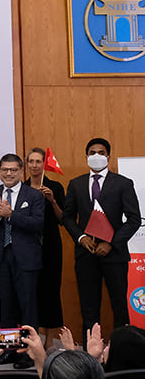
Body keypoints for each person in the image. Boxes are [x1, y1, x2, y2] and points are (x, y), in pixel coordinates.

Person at [62, 137, 141, 335]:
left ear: (108, 157)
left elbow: (134, 219)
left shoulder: (123, 183)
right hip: (85, 255)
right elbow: (68, 217)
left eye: (101, 153)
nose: (96, 156)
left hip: (115, 255)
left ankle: (122, 350)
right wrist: (81, 237)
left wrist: (111, 243)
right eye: (92, 153)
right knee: (88, 307)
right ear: (86, 157)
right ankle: (90, 350)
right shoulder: (76, 184)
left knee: (119, 306)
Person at [0, 153, 44, 369]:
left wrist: (10, 214)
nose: (8, 173)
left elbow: (38, 224)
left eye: (13, 170)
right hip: (2, 257)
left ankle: (28, 353)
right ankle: (9, 350)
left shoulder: (34, 195)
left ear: (21, 171)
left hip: (26, 258)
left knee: (28, 307)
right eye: (4, 170)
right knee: (6, 305)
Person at [25, 148, 66, 346]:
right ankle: (30, 339)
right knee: (28, 293)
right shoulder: (22, 188)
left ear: (44, 163)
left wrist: (52, 200)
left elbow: (62, 219)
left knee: (50, 292)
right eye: (31, 161)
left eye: (38, 161)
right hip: (27, 246)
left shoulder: (55, 187)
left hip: (50, 247)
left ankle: (49, 340)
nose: (34, 165)